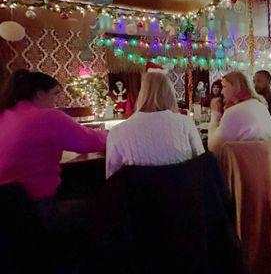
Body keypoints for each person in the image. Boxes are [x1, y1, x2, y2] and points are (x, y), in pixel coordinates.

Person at [0, 70, 107, 203]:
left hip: (7, 206)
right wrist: (114, 133)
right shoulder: (48, 117)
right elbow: (90, 142)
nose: (56, 101)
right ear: (40, 94)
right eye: (55, 94)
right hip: (33, 203)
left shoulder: (6, 114)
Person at [106, 71, 205, 178]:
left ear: (142, 95)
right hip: (183, 192)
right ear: (170, 95)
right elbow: (201, 165)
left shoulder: (117, 132)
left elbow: (112, 178)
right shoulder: (186, 123)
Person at [208, 71, 271, 152]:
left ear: (235, 88)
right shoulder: (260, 105)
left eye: (224, 87)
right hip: (265, 159)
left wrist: (215, 114)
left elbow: (213, 146)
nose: (221, 92)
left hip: (244, 162)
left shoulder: (234, 112)